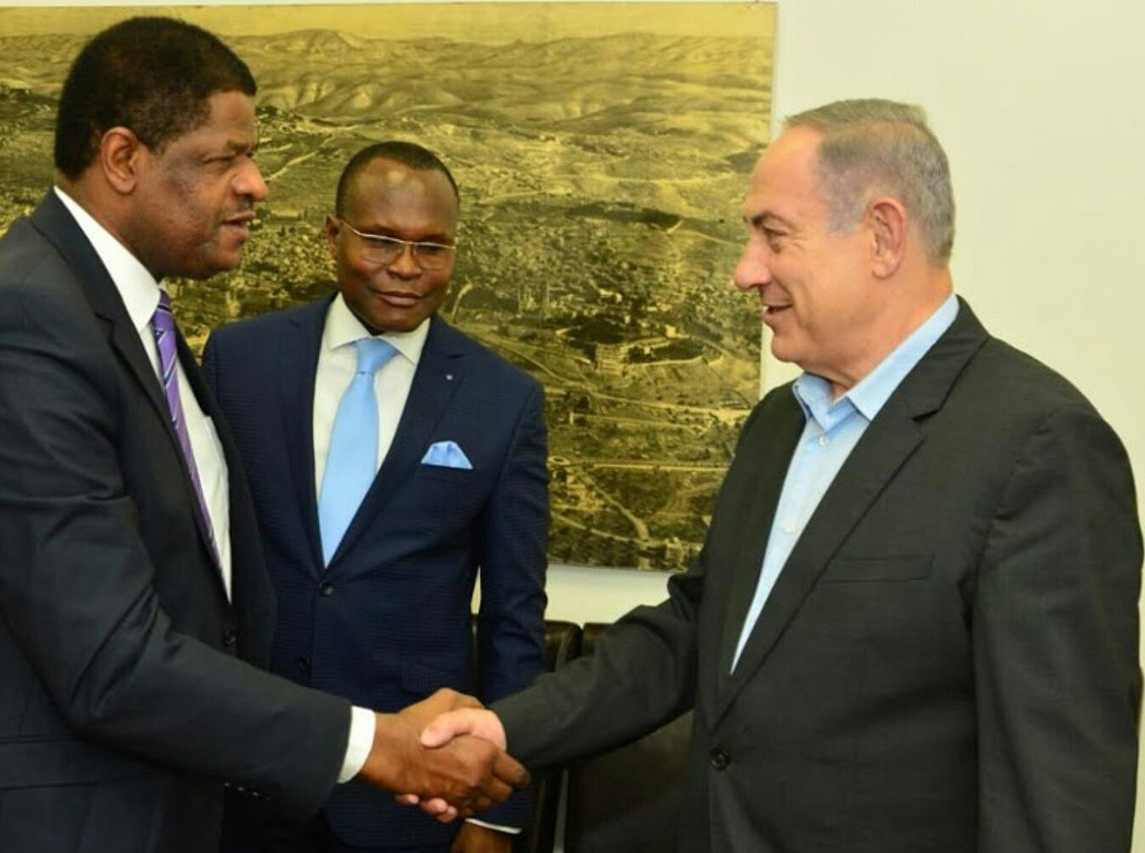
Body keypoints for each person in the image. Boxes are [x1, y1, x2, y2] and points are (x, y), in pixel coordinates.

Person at [420, 99, 1143, 852]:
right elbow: (694, 632)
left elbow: (1058, 797)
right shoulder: (778, 424)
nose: (745, 271)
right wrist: (505, 726)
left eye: (774, 234)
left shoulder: (1039, 446)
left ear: (883, 235)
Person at [0, 19, 525, 853]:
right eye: (226, 160)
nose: (256, 184)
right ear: (123, 158)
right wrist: (374, 742)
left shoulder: (128, 319)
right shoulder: (22, 323)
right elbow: (110, 659)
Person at [203, 140, 548, 853]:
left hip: (414, 798)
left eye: (431, 247)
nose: (406, 268)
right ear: (333, 235)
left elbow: (514, 619)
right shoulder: (240, 361)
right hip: (248, 775)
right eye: (382, 241)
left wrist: (495, 814)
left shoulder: (502, 401)